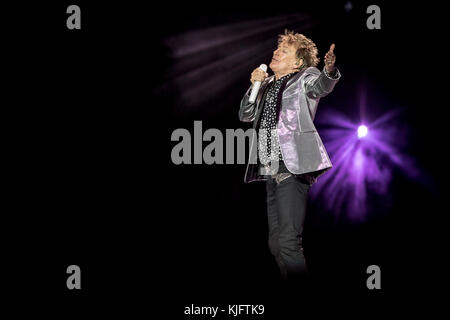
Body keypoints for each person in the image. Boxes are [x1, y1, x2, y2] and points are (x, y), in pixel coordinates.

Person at [239, 30, 341, 280]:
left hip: (291, 165)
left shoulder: (305, 77)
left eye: (283, 51)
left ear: (297, 62)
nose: (275, 52)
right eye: (276, 48)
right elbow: (245, 115)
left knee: (287, 242)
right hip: (270, 168)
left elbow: (321, 87)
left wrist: (328, 71)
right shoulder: (264, 85)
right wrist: (253, 85)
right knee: (276, 244)